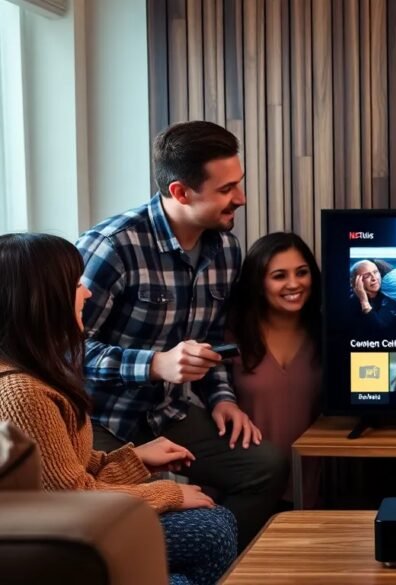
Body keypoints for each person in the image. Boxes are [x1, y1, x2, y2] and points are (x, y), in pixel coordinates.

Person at [76, 121, 289, 549]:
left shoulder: (226, 250)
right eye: (227, 189)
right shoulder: (111, 246)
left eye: (239, 183)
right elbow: (64, 352)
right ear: (181, 192)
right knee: (121, 517)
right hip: (98, 420)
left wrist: (223, 399)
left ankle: (220, 563)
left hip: (167, 413)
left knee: (266, 466)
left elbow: (212, 342)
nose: (241, 198)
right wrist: (155, 365)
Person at [0, 233, 237, 585]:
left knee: (215, 525)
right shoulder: (22, 393)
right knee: (212, 530)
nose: (87, 293)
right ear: (42, 300)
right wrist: (169, 494)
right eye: (76, 285)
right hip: (64, 541)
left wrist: (135, 459)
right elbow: (71, 498)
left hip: (72, 522)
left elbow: (69, 471)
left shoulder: (38, 373)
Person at [227, 232, 322, 509]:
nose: (294, 284)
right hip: (242, 487)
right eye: (279, 276)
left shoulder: (326, 334)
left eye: (302, 272)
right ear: (258, 284)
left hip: (307, 489)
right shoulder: (231, 334)